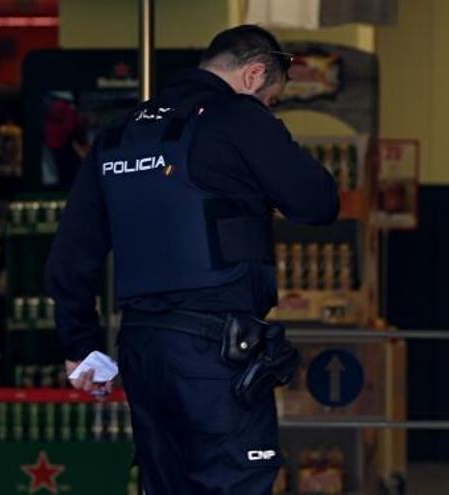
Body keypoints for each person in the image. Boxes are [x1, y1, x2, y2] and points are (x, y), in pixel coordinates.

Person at [45, 24, 339, 494]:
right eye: (272, 99)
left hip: (142, 350)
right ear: (254, 74)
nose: (269, 108)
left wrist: (80, 348)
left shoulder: (118, 134)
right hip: (216, 353)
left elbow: (70, 254)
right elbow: (319, 203)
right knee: (234, 482)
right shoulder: (238, 118)